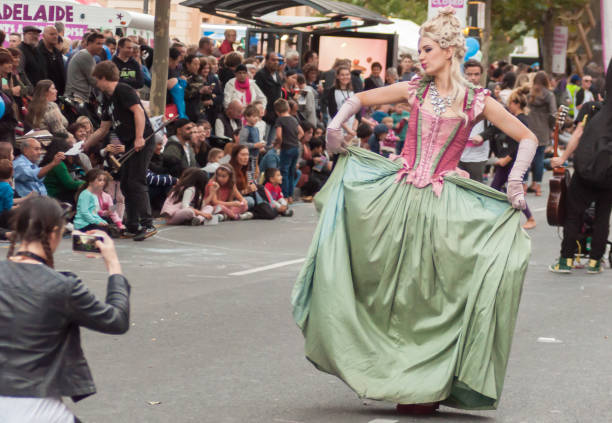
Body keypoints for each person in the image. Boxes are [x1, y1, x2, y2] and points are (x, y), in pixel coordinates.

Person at [292, 7, 537, 414]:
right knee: (386, 291)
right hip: (399, 196)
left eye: (425, 49)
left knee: (429, 298)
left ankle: (427, 384)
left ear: (447, 50)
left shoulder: (477, 99)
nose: (418, 58)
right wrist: (335, 128)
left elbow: (527, 138)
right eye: (419, 50)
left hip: (443, 205)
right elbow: (358, 98)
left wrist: (514, 183)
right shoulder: (415, 89)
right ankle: (390, 373)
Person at [0, 196, 128, 423]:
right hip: (34, 406)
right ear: (54, 234)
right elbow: (116, 320)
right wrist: (113, 264)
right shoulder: (64, 286)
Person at [549, 59, 612, 274]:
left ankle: (566, 259)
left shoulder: (593, 111)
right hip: (608, 175)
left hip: (585, 171)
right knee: (603, 216)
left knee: (574, 214)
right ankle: (595, 262)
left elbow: (577, 134)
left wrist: (562, 158)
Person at [85, 61, 156, 241]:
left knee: (136, 181)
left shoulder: (123, 90)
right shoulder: (108, 99)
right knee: (125, 183)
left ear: (103, 78)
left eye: (96, 79)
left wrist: (139, 137)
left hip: (142, 140)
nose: (96, 84)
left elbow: (138, 111)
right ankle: (132, 225)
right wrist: (85, 144)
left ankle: (148, 223)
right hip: (128, 143)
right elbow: (103, 129)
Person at [483, 86, 536, 229]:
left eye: (510, 103)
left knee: (513, 190)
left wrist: (508, 158)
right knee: (495, 188)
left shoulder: (522, 120)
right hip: (508, 159)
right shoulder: (515, 118)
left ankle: (530, 217)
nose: (508, 106)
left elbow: (522, 143)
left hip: (514, 160)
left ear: (517, 104)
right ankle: (499, 216)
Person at [458, 59, 490, 183]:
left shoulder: (486, 96)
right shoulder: (457, 95)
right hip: (458, 152)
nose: (472, 78)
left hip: (478, 154)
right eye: (469, 74)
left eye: (476, 74)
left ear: (481, 75)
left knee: (476, 190)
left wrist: (482, 136)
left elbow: (496, 126)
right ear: (464, 75)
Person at [526, 71, 556, 196]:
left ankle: (524, 184)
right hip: (543, 130)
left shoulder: (529, 94)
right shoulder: (549, 95)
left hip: (528, 129)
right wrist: (552, 128)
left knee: (526, 158)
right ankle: (537, 185)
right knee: (539, 158)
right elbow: (553, 113)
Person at [273, 99, 303, 200]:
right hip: (295, 148)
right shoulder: (294, 119)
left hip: (286, 148)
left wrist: (278, 143)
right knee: (291, 172)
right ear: (288, 108)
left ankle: (285, 196)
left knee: (284, 172)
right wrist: (295, 140)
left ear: (277, 111)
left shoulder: (280, 120)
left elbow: (279, 135)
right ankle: (290, 196)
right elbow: (301, 132)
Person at [40, 135, 84, 205]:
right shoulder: (58, 164)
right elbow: (69, 184)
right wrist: (88, 183)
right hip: (54, 196)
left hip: (50, 194)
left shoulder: (49, 161)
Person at [65, 32, 105, 101]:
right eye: (98, 43)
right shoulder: (86, 55)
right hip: (76, 98)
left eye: (102, 44)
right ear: (89, 43)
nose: (101, 47)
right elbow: (93, 80)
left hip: (77, 97)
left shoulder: (88, 55)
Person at [326, 66, 358, 137]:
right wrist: (348, 130)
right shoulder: (332, 91)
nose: (345, 77)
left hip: (351, 129)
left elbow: (358, 111)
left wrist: (354, 130)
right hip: (336, 129)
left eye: (347, 74)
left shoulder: (354, 90)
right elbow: (333, 113)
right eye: (342, 75)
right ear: (337, 76)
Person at [255, 52, 283, 129]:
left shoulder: (277, 75)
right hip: (265, 114)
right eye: (273, 60)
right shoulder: (260, 75)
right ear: (266, 61)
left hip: (276, 114)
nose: (276, 62)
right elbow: (257, 95)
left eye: (277, 60)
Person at [37, 26, 66, 96]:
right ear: (43, 36)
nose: (55, 36)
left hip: (57, 94)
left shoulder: (57, 52)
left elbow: (62, 74)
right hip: (43, 93)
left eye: (56, 34)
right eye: (52, 34)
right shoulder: (37, 51)